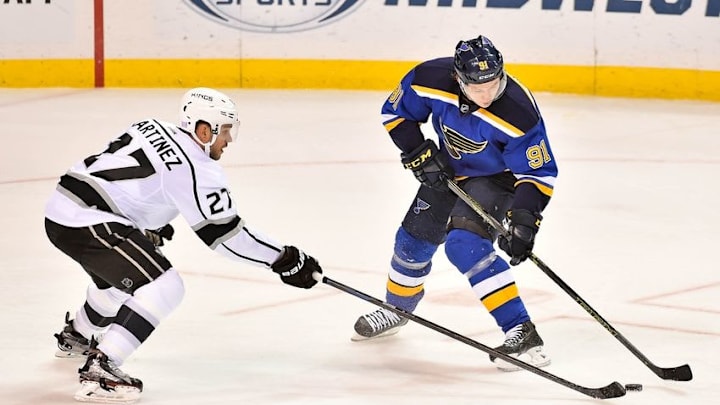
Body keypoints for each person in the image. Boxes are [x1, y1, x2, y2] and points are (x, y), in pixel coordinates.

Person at [45, 87, 322, 403]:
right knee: (163, 286)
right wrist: (284, 258)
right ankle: (102, 367)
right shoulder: (198, 169)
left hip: (61, 210)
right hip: (88, 221)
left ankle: (78, 334)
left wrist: (149, 223)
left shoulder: (149, 124)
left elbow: (129, 179)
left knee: (123, 282)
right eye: (226, 131)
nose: (229, 140)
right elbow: (226, 238)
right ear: (204, 130)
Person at [352, 35, 558, 371]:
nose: (487, 94)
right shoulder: (428, 79)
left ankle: (521, 330)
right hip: (448, 170)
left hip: (498, 178)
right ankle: (397, 310)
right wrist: (418, 152)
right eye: (477, 88)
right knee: (411, 243)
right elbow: (395, 113)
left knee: (465, 246)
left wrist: (524, 220)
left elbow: (538, 174)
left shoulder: (519, 112)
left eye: (493, 84)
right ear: (457, 79)